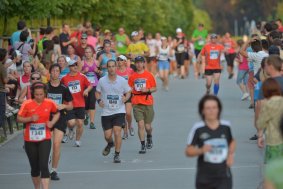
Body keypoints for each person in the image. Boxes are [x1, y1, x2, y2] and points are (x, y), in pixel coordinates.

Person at [186, 95, 236, 189]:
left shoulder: (226, 126)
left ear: (219, 109)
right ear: (203, 111)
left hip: (224, 175)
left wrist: (231, 155)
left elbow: (232, 141)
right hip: (204, 177)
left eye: (214, 107)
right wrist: (201, 150)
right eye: (208, 108)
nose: (211, 111)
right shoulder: (198, 128)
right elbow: (188, 150)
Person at [17, 82, 60, 189]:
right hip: (30, 139)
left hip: (44, 137)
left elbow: (57, 113)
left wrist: (52, 122)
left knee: (44, 166)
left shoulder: (50, 102)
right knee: (35, 168)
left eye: (41, 94)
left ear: (45, 93)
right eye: (37, 94)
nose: (39, 97)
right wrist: (30, 119)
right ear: (33, 94)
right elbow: (18, 118)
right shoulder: (26, 103)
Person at [95, 59, 131, 163]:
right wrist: (99, 100)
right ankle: (110, 143)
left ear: (116, 68)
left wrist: (126, 98)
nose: (111, 68)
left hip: (119, 110)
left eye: (113, 66)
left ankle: (117, 154)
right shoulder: (102, 80)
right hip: (106, 111)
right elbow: (97, 92)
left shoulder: (122, 81)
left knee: (117, 132)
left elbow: (128, 91)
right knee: (107, 136)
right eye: (109, 66)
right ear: (107, 68)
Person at [47, 64, 73, 180]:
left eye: (57, 71)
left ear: (59, 73)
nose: (55, 73)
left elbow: (71, 106)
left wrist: (64, 106)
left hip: (60, 117)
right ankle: (45, 163)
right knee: (48, 145)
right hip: (46, 118)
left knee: (57, 144)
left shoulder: (64, 88)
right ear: (50, 72)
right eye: (53, 71)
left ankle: (54, 170)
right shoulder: (45, 87)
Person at [128, 56, 157, 154]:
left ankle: (149, 136)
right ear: (135, 64)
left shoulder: (149, 75)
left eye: (141, 62)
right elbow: (129, 89)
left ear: (144, 63)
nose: (139, 64)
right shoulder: (132, 77)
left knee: (147, 127)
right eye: (137, 63)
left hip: (148, 102)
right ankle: (142, 145)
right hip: (137, 103)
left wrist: (147, 90)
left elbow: (155, 88)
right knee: (140, 125)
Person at [61, 59, 92, 147]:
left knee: (80, 123)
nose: (75, 67)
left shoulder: (82, 76)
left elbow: (90, 85)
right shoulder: (64, 78)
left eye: (76, 65)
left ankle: (77, 140)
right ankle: (71, 128)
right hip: (69, 104)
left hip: (80, 103)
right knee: (71, 123)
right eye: (73, 65)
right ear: (69, 67)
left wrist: (86, 90)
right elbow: (61, 89)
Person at [257, 78, 283, 164]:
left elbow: (260, 123)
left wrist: (260, 136)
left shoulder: (268, 105)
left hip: (274, 141)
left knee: (273, 169)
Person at [116, 55, 135, 139]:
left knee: (128, 113)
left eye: (121, 60)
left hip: (129, 94)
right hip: (119, 95)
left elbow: (135, 80)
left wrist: (132, 88)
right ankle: (125, 132)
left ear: (124, 61)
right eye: (118, 60)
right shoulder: (115, 72)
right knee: (122, 115)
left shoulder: (130, 70)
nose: (119, 61)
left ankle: (130, 125)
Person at [81, 47, 99, 129]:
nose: (88, 54)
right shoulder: (82, 63)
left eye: (89, 52)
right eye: (86, 52)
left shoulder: (96, 62)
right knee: (86, 104)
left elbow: (100, 72)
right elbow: (78, 74)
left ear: (92, 53)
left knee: (92, 102)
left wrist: (97, 71)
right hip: (85, 86)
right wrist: (84, 72)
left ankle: (92, 122)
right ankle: (86, 114)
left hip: (94, 84)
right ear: (85, 53)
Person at [0, 48, 8, 130]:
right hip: (1, 91)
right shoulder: (2, 67)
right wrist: (8, 78)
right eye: (7, 55)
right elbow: (5, 81)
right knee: (1, 110)